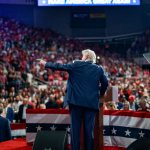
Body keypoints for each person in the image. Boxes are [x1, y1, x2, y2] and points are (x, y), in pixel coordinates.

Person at [37, 49, 108, 150]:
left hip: (76, 103)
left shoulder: (77, 65)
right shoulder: (99, 69)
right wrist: (101, 92)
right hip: (91, 104)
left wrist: (45, 63)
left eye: (82, 56)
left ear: (86, 57)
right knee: (89, 132)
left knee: (75, 132)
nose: (81, 58)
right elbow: (105, 83)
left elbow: (60, 66)